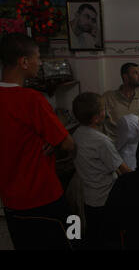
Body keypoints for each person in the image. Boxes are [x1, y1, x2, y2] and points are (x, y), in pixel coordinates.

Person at [0, 33, 75, 250]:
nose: (40, 63)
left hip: (11, 200)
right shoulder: (31, 99)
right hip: (43, 196)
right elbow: (67, 143)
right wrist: (55, 141)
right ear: (24, 61)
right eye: (38, 57)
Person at [72, 92, 132, 249]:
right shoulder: (102, 141)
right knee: (112, 238)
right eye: (103, 109)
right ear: (96, 118)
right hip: (106, 200)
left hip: (89, 199)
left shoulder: (77, 134)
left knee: (95, 235)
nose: (106, 112)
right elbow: (124, 170)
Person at [103, 62, 139, 141]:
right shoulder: (108, 97)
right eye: (136, 73)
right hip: (116, 143)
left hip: (137, 142)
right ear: (125, 77)